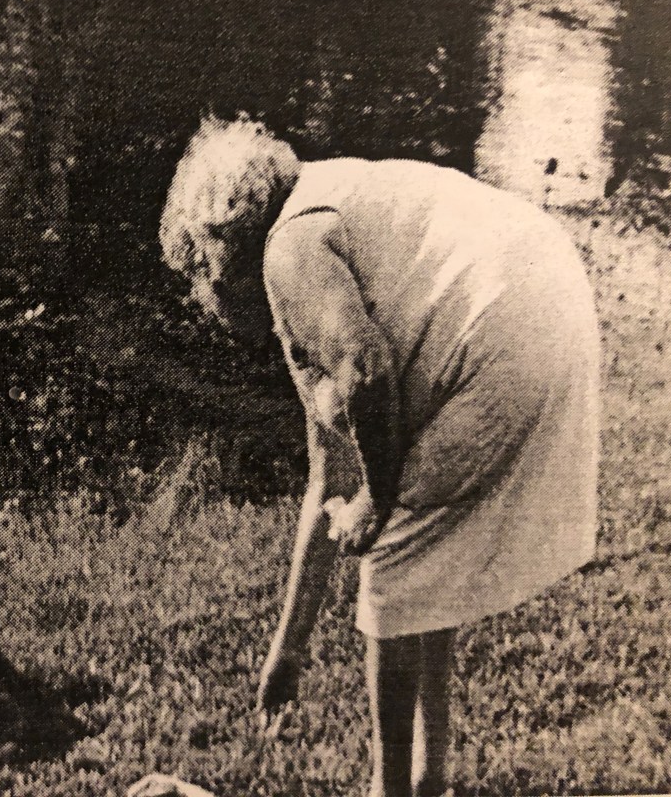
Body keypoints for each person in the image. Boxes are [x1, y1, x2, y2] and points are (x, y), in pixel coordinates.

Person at [158, 115, 600, 797]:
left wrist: (376, 501)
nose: (206, 301)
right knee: (426, 556)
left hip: (506, 336)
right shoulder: (320, 202)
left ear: (219, 252)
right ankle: (428, 779)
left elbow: (366, 372)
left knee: (392, 551)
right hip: (554, 297)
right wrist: (288, 649)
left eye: (201, 279)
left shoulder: (289, 252)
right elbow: (327, 474)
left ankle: (390, 791)